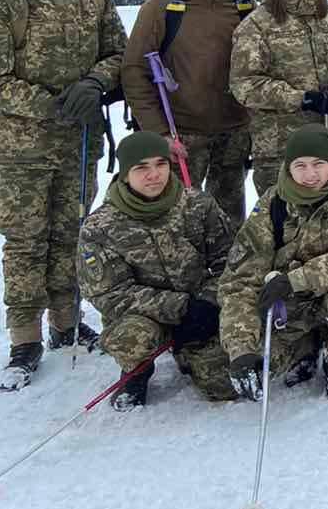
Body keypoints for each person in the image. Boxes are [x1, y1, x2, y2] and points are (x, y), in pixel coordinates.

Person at [0, 0, 127, 390]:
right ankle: (24, 338)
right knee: (26, 241)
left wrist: (97, 82)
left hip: (80, 144)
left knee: (72, 233)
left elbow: (119, 54)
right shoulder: (5, 5)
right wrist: (55, 105)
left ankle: (67, 323)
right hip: (24, 147)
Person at [219, 126, 328, 403]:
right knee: (231, 378)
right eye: (300, 165)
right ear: (288, 167)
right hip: (288, 304)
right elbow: (239, 279)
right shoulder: (272, 204)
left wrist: (296, 279)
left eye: (319, 164)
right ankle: (304, 345)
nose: (310, 175)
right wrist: (241, 350)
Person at [77, 131, 235, 407]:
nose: (154, 175)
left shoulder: (197, 205)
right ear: (125, 174)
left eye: (160, 165)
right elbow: (110, 294)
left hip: (201, 310)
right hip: (145, 316)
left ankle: (190, 354)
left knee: (223, 385)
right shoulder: (100, 226)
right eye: (141, 168)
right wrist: (181, 307)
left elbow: (231, 262)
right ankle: (137, 369)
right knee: (131, 341)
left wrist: (209, 302)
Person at [121, 0, 253, 224]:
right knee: (177, 218)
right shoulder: (165, 6)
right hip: (182, 134)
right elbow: (134, 71)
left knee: (228, 219)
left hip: (233, 132)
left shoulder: (243, 4)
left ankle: (227, 271)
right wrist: (159, 132)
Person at [230, 0, 328, 198]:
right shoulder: (259, 23)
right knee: (282, 220)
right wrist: (302, 98)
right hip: (280, 146)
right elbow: (245, 84)